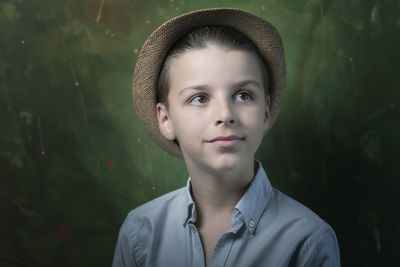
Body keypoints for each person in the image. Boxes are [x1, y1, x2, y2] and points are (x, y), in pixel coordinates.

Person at [112, 8, 340, 267]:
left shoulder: (307, 240)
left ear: (265, 111)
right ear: (165, 120)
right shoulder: (140, 233)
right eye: (199, 98)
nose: (225, 114)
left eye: (243, 95)